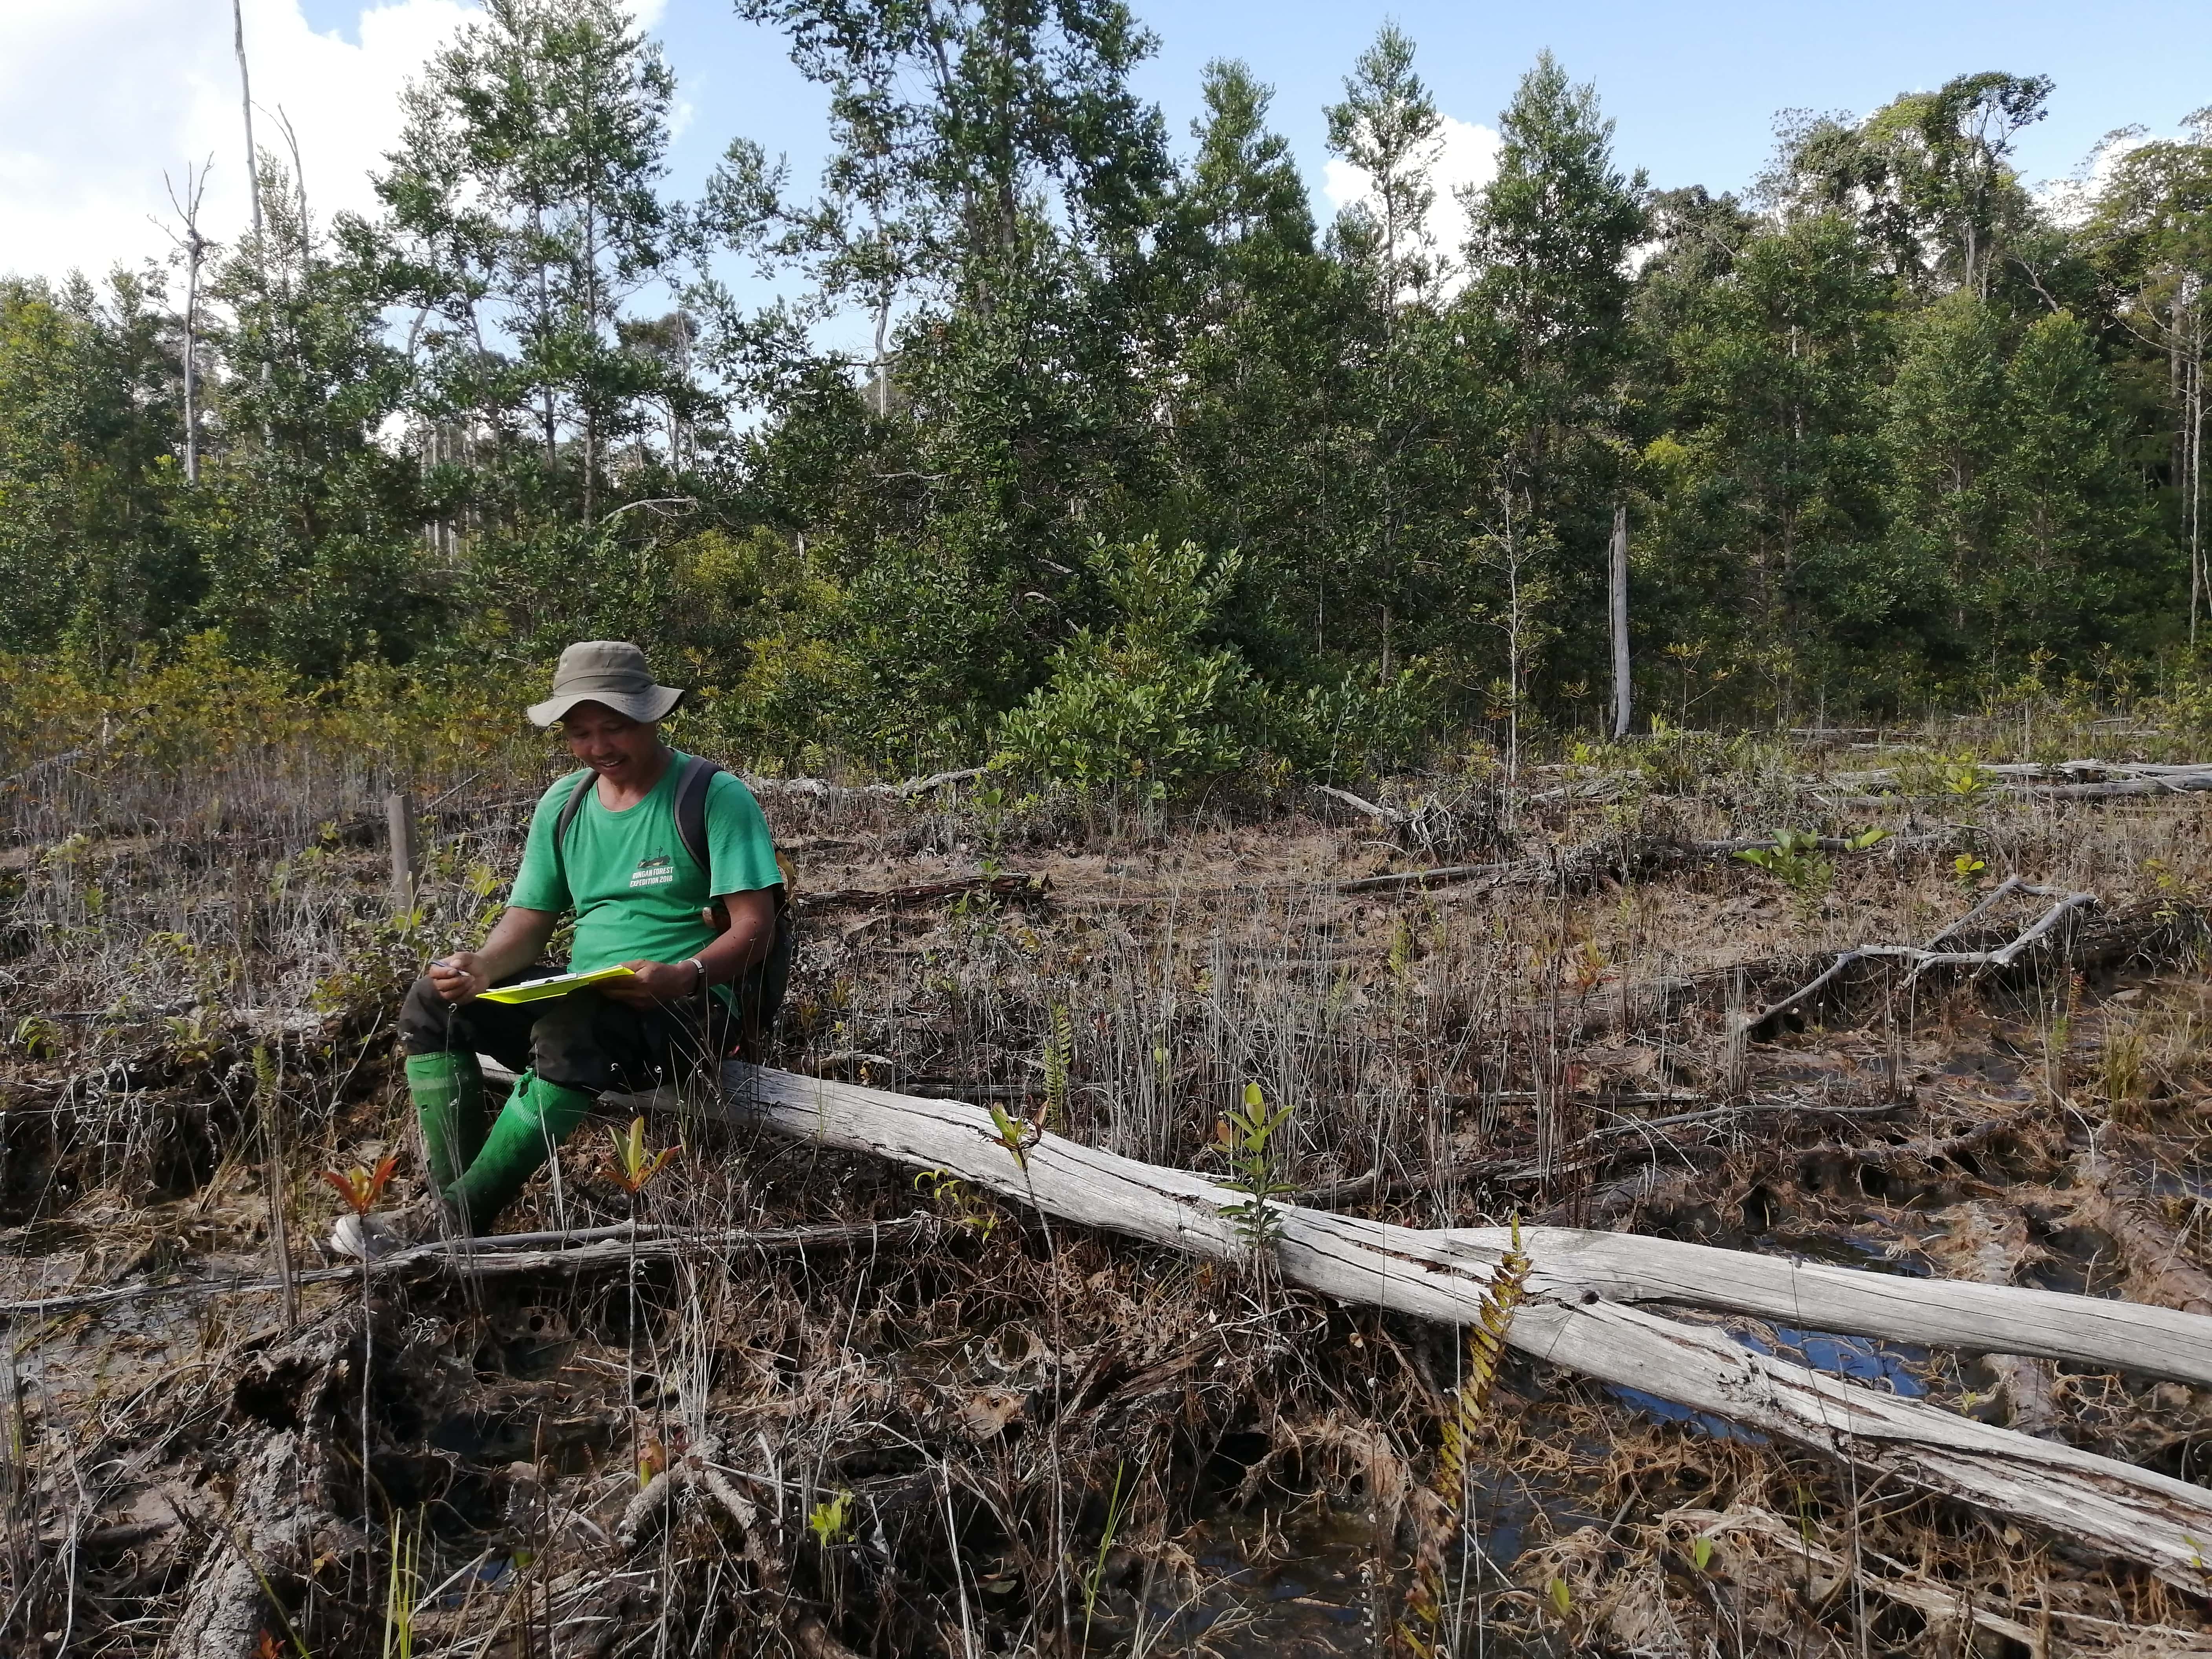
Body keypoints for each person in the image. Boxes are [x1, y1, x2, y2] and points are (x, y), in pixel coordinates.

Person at [345, 641, 784, 1254]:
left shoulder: (712, 796)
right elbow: (529, 919)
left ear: (652, 718)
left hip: (694, 1008)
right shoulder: (565, 803)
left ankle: (445, 1228)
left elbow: (755, 927)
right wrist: (481, 967)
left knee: (573, 1025)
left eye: (615, 727)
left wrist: (682, 976)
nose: (600, 747)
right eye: (581, 734)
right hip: (591, 995)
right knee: (432, 1003)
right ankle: (460, 1212)